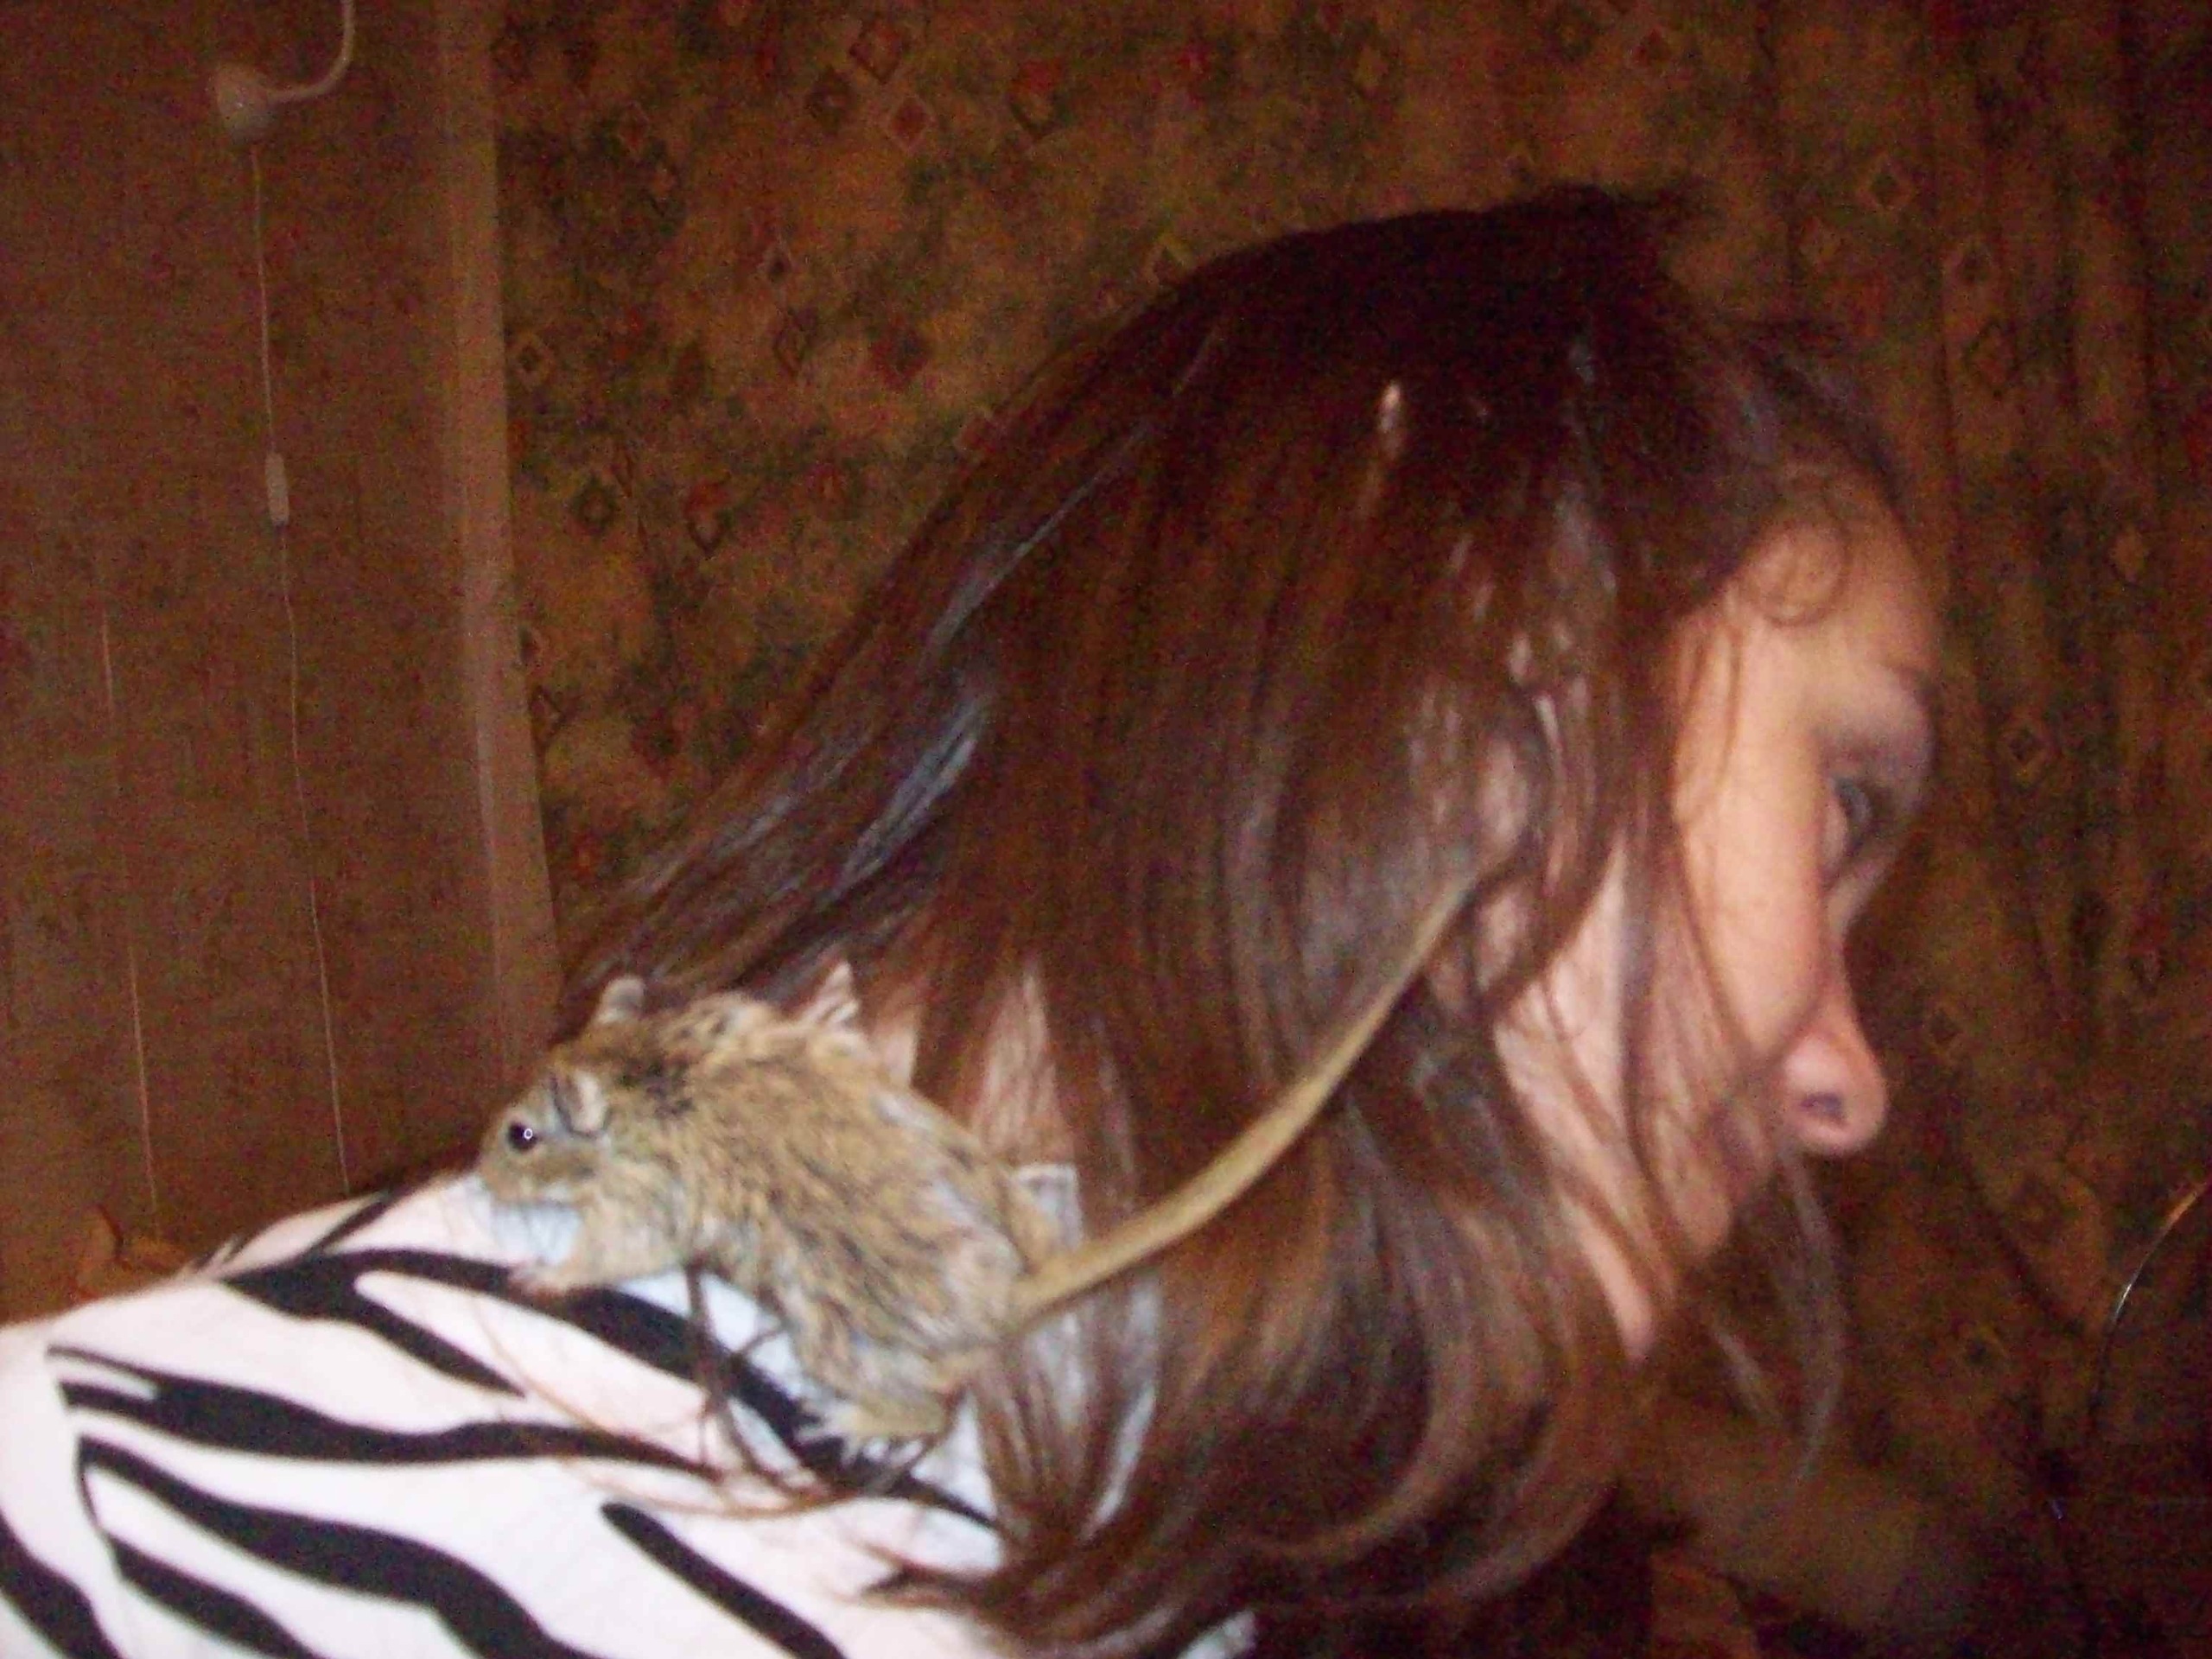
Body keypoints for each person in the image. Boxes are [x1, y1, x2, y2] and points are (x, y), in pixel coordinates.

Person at [0, 188, 1939, 1658]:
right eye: (1842, 801)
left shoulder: (1119, 1518)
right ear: (1448, 604)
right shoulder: (220, 1547)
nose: (1848, 1087)